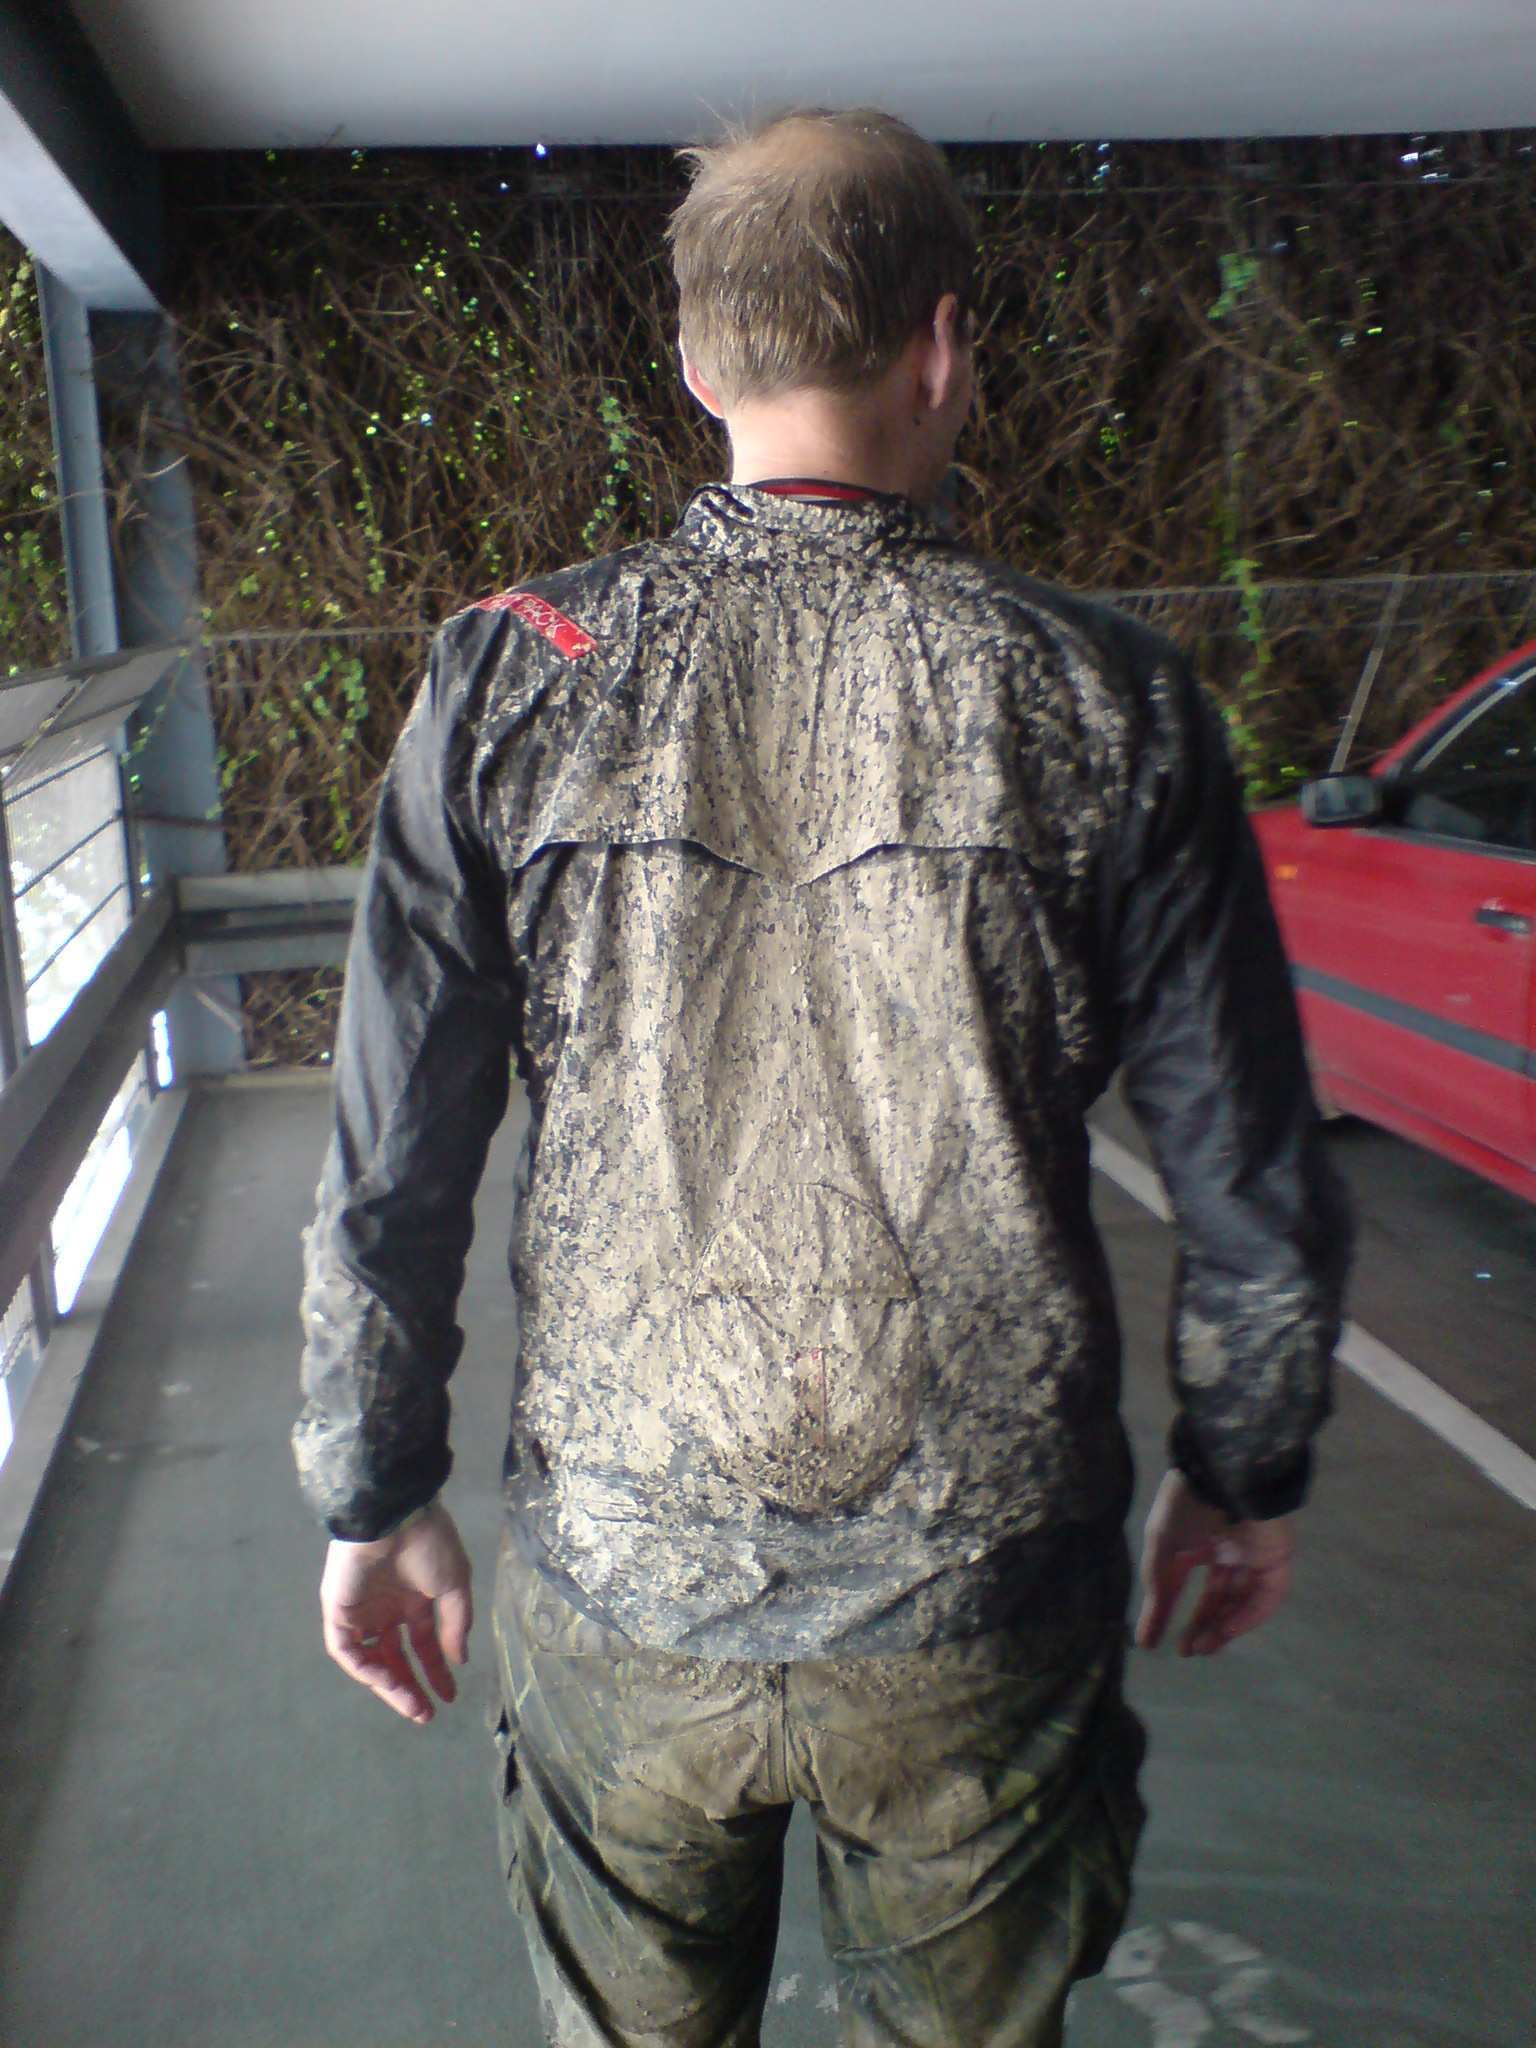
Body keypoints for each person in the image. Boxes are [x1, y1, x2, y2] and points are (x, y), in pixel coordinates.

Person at [296, 107, 1350, 2048]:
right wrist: (1244, 1473)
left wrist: (373, 1490)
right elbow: (1252, 1179)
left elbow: (393, 1167)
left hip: (625, 1584)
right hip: (981, 1595)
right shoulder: (1107, 698)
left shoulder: (511, 675)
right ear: (943, 348)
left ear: (697, 365)